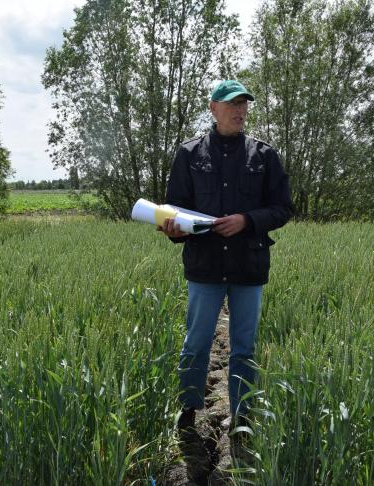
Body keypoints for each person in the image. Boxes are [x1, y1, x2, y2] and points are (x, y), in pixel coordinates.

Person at [159, 79, 292, 466]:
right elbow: (175, 208)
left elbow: (283, 208)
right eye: (232, 103)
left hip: (248, 266)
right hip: (204, 266)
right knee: (196, 343)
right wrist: (172, 228)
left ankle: (242, 417)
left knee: (244, 347)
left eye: (244, 104)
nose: (240, 110)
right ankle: (187, 412)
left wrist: (247, 220)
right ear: (213, 108)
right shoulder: (188, 154)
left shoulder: (264, 156)